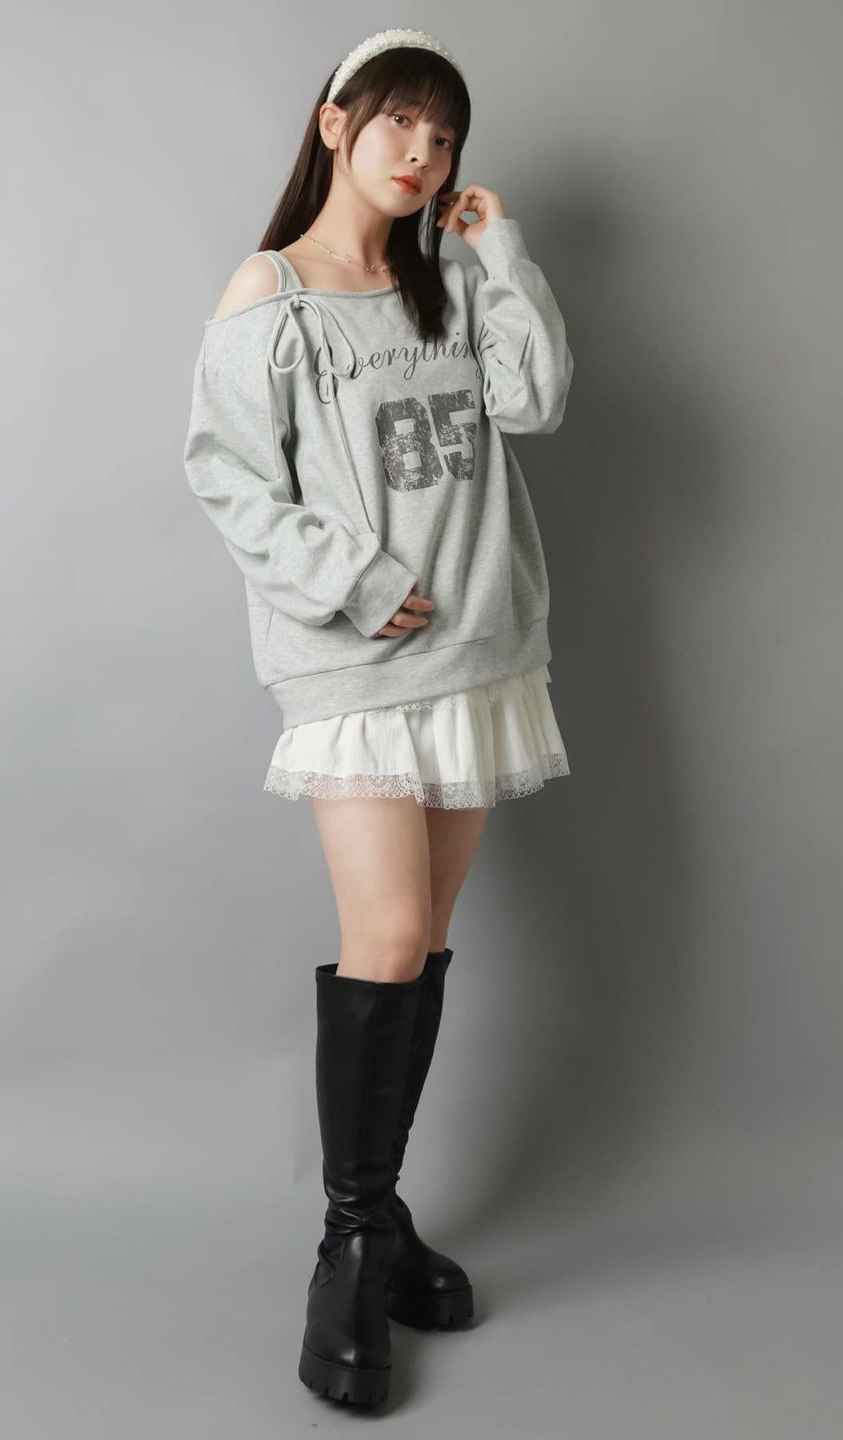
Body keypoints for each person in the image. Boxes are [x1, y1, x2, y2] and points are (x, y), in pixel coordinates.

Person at [181, 27, 575, 1408]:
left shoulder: (447, 281)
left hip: (480, 655)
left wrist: (498, 250)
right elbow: (228, 476)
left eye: (446, 134)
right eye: (402, 121)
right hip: (360, 665)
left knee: (425, 947)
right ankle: (349, 1248)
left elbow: (535, 398)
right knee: (389, 935)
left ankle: (382, 1219)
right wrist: (353, 579)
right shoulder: (272, 293)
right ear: (335, 122)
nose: (423, 151)